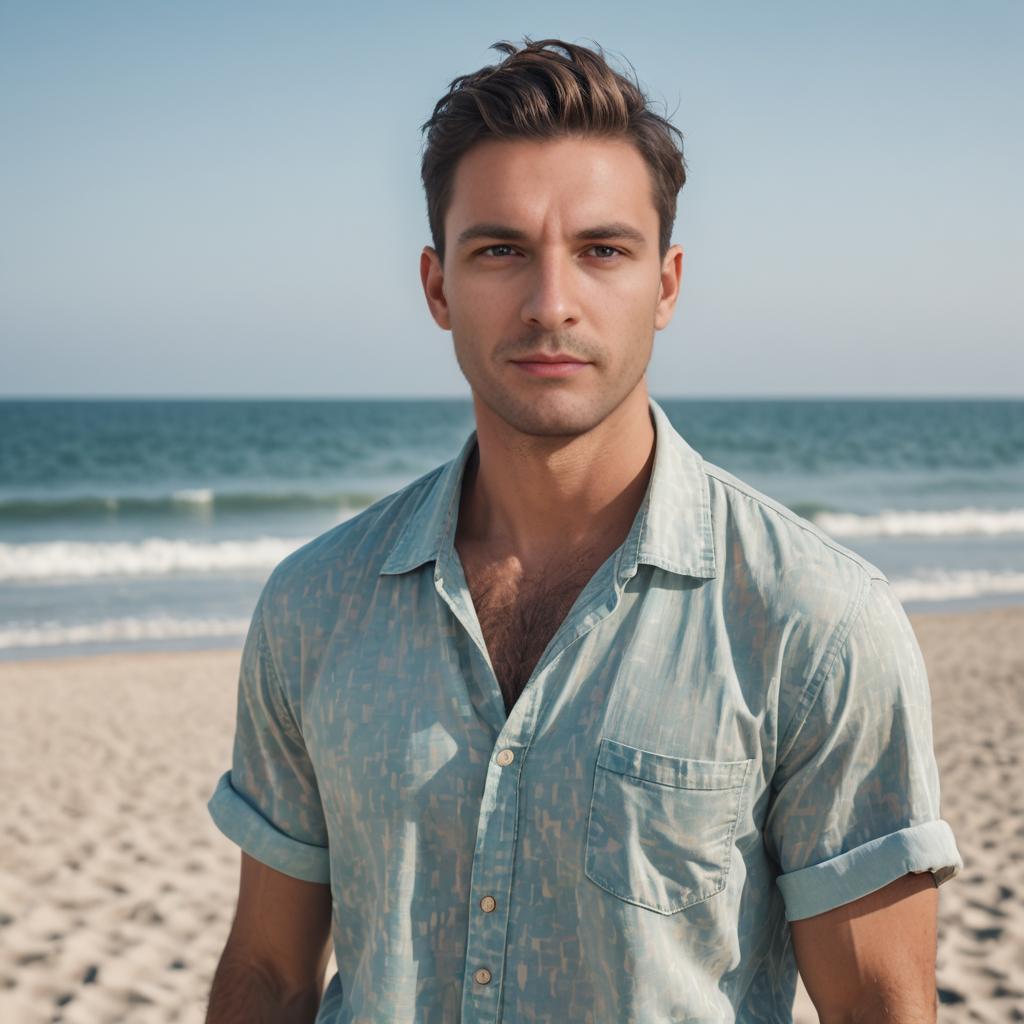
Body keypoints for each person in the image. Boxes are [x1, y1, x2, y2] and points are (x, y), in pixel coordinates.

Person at [204, 37, 962, 1023]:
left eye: (602, 250)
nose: (549, 303)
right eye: (500, 251)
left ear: (667, 283)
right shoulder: (314, 605)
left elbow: (877, 1004)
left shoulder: (816, 622)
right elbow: (266, 974)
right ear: (437, 287)